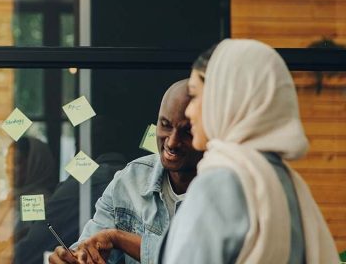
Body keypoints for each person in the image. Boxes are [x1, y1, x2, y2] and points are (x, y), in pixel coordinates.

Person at [159, 39, 337, 263]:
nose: (189, 111)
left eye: (195, 95)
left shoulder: (219, 185)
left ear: (225, 98)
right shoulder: (288, 184)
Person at [49, 79, 203, 264]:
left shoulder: (222, 193)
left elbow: (193, 257)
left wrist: (118, 238)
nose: (172, 142)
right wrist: (74, 258)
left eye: (187, 132)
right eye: (165, 125)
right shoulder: (129, 180)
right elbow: (90, 246)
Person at [0, 137, 58, 263]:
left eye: (16, 162)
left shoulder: (39, 202)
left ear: (35, 164)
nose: (9, 169)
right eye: (7, 163)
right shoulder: (6, 203)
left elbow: (30, 241)